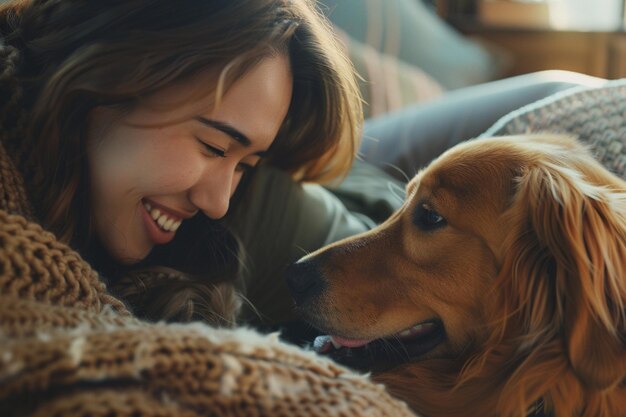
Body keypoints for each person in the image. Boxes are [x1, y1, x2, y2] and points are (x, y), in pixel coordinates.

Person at [0, 0, 610, 414]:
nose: (219, 200)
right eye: (213, 144)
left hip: (373, 188)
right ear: (105, 76)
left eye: (241, 162)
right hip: (391, 210)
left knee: (567, 94)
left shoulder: (230, 201)